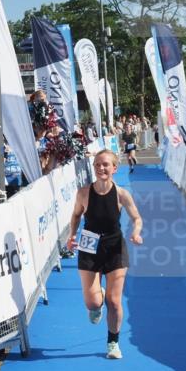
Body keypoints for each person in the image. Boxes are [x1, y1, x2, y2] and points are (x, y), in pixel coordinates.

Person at [67, 150, 143, 359]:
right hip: (89, 246)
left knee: (115, 301)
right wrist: (72, 235)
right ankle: (97, 298)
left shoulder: (121, 194)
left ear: (114, 169)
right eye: (98, 164)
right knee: (92, 303)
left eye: (106, 165)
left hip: (114, 247)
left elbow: (137, 218)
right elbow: (75, 215)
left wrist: (136, 233)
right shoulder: (83, 193)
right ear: (94, 168)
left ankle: (113, 344)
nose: (101, 168)